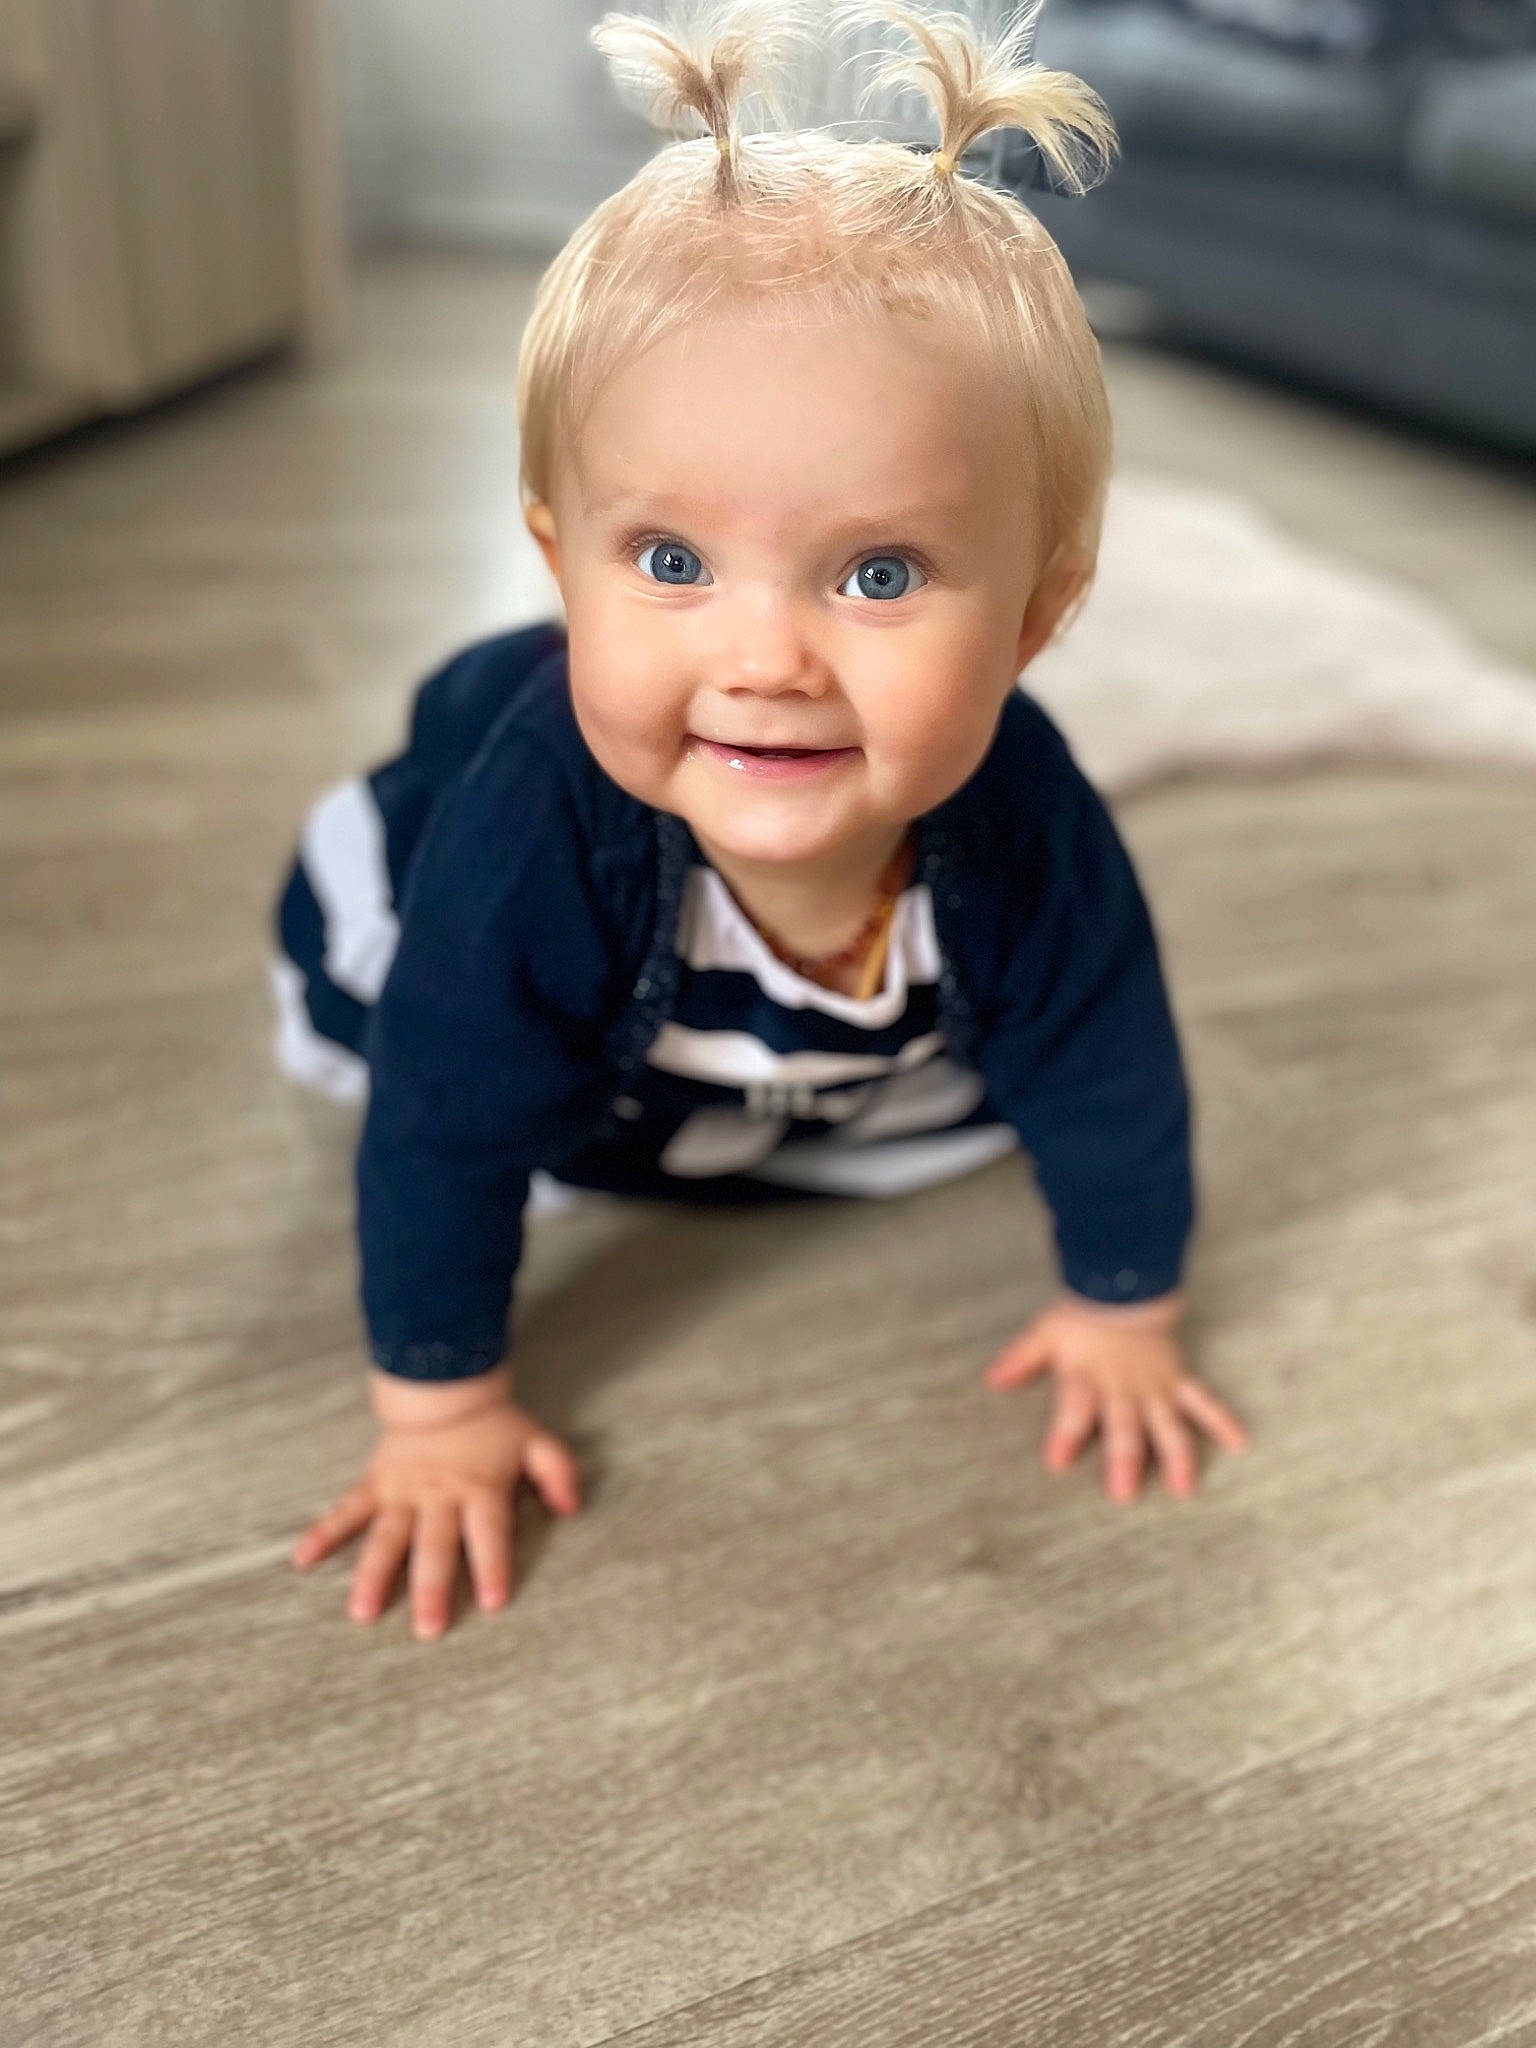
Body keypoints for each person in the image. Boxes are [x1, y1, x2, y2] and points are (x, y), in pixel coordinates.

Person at [280, 0, 1248, 1641]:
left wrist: (1123, 1309)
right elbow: (442, 1119)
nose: (766, 661)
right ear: (557, 560)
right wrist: (440, 1409)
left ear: (1035, 615)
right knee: (410, 1034)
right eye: (671, 563)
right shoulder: (537, 829)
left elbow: (1110, 1060)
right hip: (502, 964)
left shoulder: (1026, 820)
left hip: (798, 1047)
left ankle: (777, 1082)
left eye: (879, 573)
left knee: (1008, 1088)